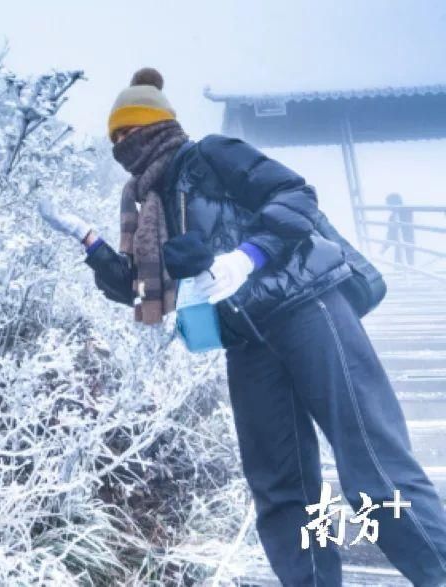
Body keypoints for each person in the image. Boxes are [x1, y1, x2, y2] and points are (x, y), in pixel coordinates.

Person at [38, 67, 446, 586]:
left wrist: (246, 258)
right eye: (115, 136)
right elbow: (141, 289)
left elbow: (296, 196)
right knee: (280, 487)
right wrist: (90, 242)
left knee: (369, 460)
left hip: (306, 307)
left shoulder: (210, 155)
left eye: (130, 129)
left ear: (157, 124)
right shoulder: (149, 204)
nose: (123, 144)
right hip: (246, 342)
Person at [380, 192, 416, 266]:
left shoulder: (394, 216)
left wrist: (383, 250)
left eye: (388, 204)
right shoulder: (408, 212)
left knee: (400, 265)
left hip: (401, 243)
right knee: (408, 264)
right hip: (408, 242)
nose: (387, 206)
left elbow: (390, 235)